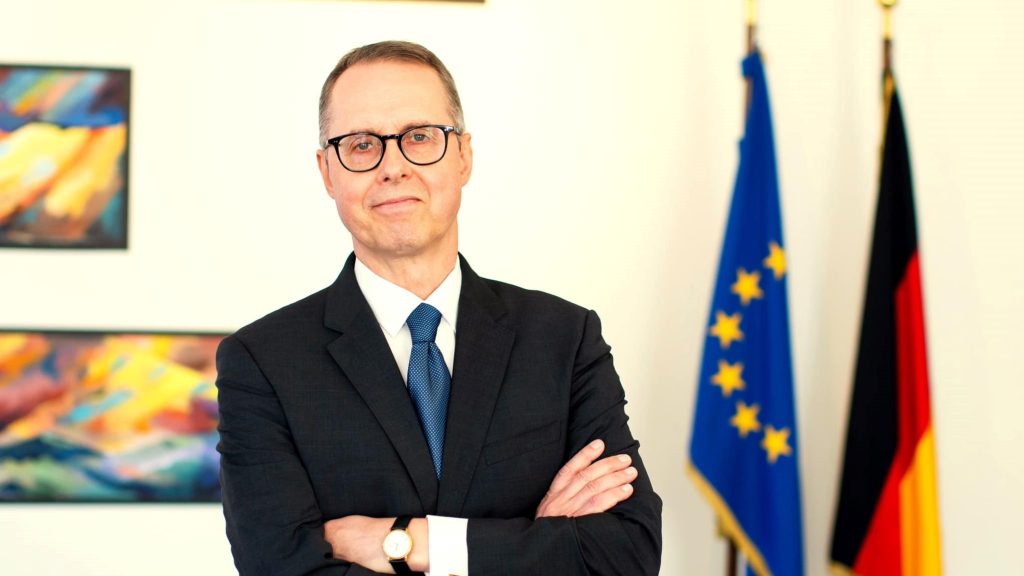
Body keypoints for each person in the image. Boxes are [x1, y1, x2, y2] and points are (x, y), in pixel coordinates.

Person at [216, 40, 661, 576]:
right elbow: (280, 568)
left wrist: (408, 543)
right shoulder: (262, 362)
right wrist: (535, 540)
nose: (393, 167)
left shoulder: (564, 339)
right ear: (327, 172)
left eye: (419, 136)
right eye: (361, 145)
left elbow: (627, 553)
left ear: (463, 156)